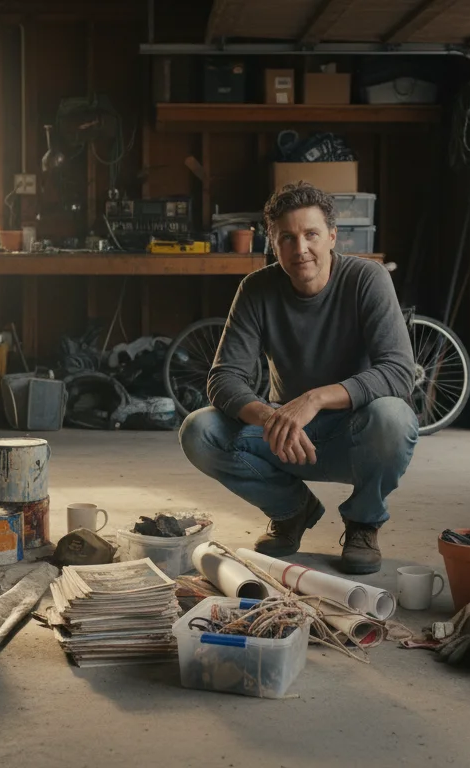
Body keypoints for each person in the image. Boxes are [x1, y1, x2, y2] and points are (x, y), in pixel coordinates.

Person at [178, 182, 418, 574]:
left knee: (394, 417)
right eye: (286, 238)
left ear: (332, 236)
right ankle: (292, 510)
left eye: (311, 234)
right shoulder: (256, 289)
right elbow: (223, 378)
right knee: (198, 430)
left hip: (356, 436)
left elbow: (398, 372)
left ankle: (363, 522)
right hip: (287, 438)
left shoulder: (367, 279)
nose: (300, 248)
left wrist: (315, 399)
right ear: (272, 243)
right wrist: (270, 417)